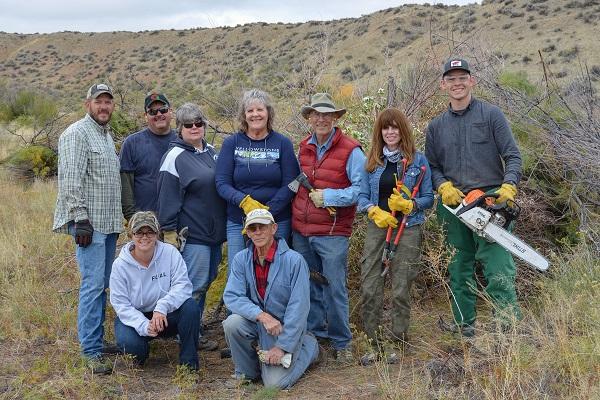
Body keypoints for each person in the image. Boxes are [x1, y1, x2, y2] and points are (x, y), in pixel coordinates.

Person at [425, 58, 523, 336]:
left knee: (497, 266)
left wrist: (508, 186)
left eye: (462, 78)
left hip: (489, 201)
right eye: (451, 79)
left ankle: (508, 327)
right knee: (458, 268)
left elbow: (513, 155)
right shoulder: (435, 127)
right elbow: (431, 166)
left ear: (472, 81)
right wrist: (442, 185)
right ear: (443, 84)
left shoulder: (492, 115)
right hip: (454, 205)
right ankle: (464, 326)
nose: (457, 83)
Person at [52, 83, 123, 374]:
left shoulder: (106, 136)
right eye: (98, 102)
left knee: (101, 285)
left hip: (108, 223)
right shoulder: (76, 134)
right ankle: (90, 352)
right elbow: (70, 179)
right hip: (89, 225)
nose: (103, 107)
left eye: (108, 102)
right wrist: (80, 218)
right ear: (87, 105)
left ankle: (95, 338)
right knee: (92, 286)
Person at [291, 92, 366, 363]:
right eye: (316, 114)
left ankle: (341, 342)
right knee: (309, 284)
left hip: (333, 232)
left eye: (327, 114)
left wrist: (329, 197)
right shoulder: (302, 147)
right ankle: (315, 335)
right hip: (301, 231)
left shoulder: (351, 150)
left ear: (335, 118)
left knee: (334, 287)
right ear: (309, 118)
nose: (321, 119)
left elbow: (361, 190)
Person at [357, 108, 433, 363]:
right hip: (379, 227)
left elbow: (428, 197)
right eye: (385, 128)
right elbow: (361, 196)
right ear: (380, 132)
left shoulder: (418, 161)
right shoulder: (372, 162)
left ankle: (397, 344)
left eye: (395, 127)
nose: (390, 132)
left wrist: (411, 206)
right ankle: (374, 344)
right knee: (370, 286)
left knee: (401, 288)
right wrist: (373, 210)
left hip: (408, 228)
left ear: (403, 130)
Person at [222, 209, 319, 389]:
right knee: (232, 323)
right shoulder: (241, 259)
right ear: (247, 233)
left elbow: (299, 308)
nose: (257, 232)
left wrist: (282, 346)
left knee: (274, 384)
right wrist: (261, 315)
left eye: (262, 227)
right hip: (260, 323)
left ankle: (309, 347)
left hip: (285, 329)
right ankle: (247, 373)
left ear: (273, 228)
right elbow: (232, 296)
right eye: (252, 228)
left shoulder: (294, 260)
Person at [156, 103, 226, 350]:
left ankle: (193, 331)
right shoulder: (174, 157)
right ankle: (187, 338)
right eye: (188, 124)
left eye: (199, 123)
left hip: (215, 234)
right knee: (192, 288)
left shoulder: (211, 152)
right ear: (179, 128)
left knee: (205, 282)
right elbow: (167, 198)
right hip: (193, 235)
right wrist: (169, 233)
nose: (195, 128)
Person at [215, 89, 299, 275]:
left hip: (276, 220)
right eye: (250, 111)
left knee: (276, 272)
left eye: (259, 109)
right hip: (240, 220)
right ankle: (237, 305)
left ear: (268, 112)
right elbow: (221, 183)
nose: (255, 114)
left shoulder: (282, 143)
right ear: (243, 116)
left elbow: (292, 183)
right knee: (239, 272)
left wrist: (265, 213)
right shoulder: (232, 143)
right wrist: (244, 202)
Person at [110, 211, 200, 370]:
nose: (144, 237)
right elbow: (120, 304)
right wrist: (144, 325)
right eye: (139, 232)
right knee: (133, 348)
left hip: (165, 314)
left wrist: (162, 307)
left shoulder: (170, 253)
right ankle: (141, 349)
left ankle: (189, 365)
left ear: (157, 233)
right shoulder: (120, 265)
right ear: (131, 234)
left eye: (150, 231)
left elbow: (183, 286)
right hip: (135, 316)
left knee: (191, 307)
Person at [120, 91, 177, 221]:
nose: (159, 114)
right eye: (152, 112)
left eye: (163, 110)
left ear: (170, 112)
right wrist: (132, 218)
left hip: (179, 220)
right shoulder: (132, 143)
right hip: (146, 223)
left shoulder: (183, 141)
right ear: (146, 116)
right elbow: (126, 184)